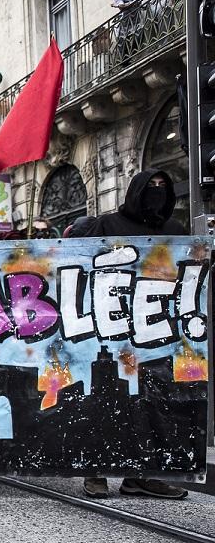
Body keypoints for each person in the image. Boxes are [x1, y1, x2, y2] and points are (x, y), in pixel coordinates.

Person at [80, 168, 187, 500]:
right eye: (150, 186)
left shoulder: (174, 230)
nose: (157, 191)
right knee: (107, 399)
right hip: (111, 331)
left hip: (158, 333)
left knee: (155, 404)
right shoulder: (108, 225)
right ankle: (95, 469)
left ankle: (143, 474)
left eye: (162, 186)